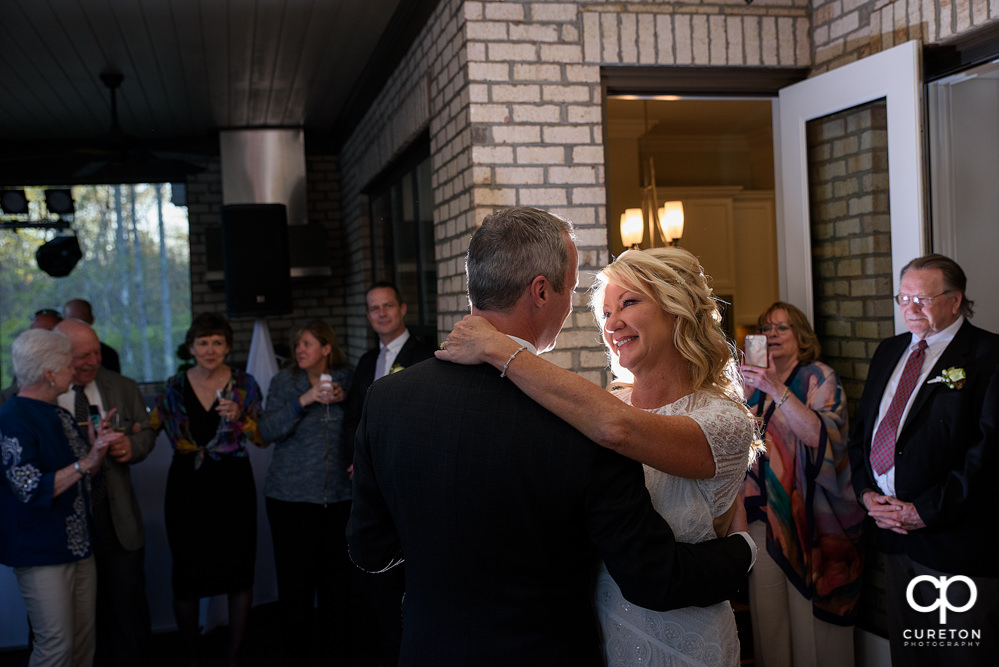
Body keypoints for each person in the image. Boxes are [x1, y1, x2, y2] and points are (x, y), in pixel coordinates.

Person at [347, 206, 756, 666]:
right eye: (576, 289)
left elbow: (370, 550)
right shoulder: (579, 423)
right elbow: (649, 573)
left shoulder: (385, 401)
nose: (605, 320)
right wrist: (742, 550)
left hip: (429, 649)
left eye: (628, 303)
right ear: (541, 291)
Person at [847, 254, 999, 666]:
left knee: (962, 655)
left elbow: (987, 456)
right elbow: (862, 433)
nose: (911, 309)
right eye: (904, 298)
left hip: (957, 540)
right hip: (894, 537)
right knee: (912, 653)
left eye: (923, 299)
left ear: (955, 300)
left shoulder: (989, 355)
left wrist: (924, 510)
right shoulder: (889, 350)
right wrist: (866, 494)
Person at [740, 302, 865, 667]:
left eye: (782, 328)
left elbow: (821, 438)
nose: (772, 335)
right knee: (769, 621)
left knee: (812, 625)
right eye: (766, 328)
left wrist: (776, 388)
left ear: (801, 336)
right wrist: (747, 390)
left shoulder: (818, 377)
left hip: (816, 521)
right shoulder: (752, 381)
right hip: (764, 519)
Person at [150, 312, 263, 667]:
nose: (210, 349)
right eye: (203, 342)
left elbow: (261, 437)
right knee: (187, 573)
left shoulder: (245, 384)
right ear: (191, 347)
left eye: (217, 342)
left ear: (228, 346)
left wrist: (240, 418)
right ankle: (191, 654)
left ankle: (234, 655)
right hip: (187, 488)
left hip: (233, 487)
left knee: (238, 570)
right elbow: (150, 426)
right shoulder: (172, 386)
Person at [0, 329, 115, 666]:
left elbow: (85, 473)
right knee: (56, 648)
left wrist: (97, 448)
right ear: (49, 374)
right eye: (67, 366)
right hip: (41, 552)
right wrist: (85, 462)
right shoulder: (13, 419)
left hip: (79, 546)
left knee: (82, 645)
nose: (73, 371)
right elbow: (30, 487)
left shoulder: (60, 414)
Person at [50, 318, 156, 667]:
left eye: (97, 351)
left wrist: (131, 445)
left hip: (116, 522)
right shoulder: (29, 395)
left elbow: (145, 433)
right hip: (61, 528)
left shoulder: (122, 386)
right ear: (60, 356)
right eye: (83, 356)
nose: (95, 361)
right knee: (67, 626)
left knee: (127, 617)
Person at [343, 280, 435, 665]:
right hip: (371, 483)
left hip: (411, 480)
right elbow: (352, 420)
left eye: (387, 306)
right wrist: (354, 461)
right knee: (377, 575)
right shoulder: (365, 362)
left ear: (402, 309)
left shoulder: (424, 355)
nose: (381, 313)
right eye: (373, 308)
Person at [258, 320, 353, 667]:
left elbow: (360, 426)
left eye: (307, 344)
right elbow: (267, 430)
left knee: (336, 589)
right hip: (290, 501)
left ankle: (335, 655)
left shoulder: (347, 378)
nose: (299, 350)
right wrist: (304, 400)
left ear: (326, 349)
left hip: (339, 501)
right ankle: (294, 656)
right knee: (295, 589)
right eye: (297, 345)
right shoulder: (285, 381)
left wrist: (344, 402)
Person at [63, 298, 121, 373]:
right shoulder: (55, 351)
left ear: (92, 320)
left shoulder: (108, 355)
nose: (77, 325)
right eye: (73, 320)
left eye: (82, 321)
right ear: (63, 321)